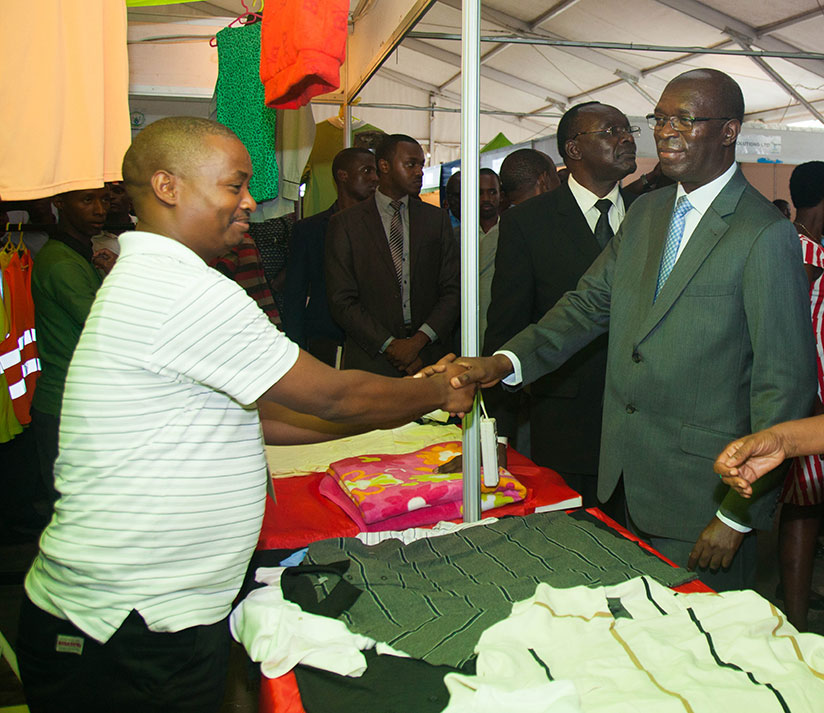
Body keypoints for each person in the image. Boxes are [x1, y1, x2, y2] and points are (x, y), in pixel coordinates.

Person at [16, 117, 475, 713]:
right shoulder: (181, 289)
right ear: (168, 186)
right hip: (127, 625)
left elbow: (264, 420)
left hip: (146, 616)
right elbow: (330, 396)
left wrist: (395, 416)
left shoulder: (156, 277)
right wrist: (435, 391)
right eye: (235, 186)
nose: (251, 202)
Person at [445, 69, 817, 591]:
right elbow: (586, 306)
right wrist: (503, 362)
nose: (666, 132)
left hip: (701, 498)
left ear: (729, 131)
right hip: (621, 479)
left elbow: (785, 389)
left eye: (685, 119)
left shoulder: (764, 234)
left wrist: (736, 516)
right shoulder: (645, 213)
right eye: (660, 118)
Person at [457, 105, 639, 508]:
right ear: (573, 148)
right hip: (566, 423)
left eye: (629, 129)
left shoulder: (650, 214)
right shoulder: (528, 223)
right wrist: (497, 434)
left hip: (643, 427)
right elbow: (506, 325)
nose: (627, 138)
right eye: (611, 130)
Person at [325, 134, 460, 377]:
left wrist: (417, 342)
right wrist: (391, 345)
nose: (419, 172)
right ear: (384, 166)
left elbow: (453, 290)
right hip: (371, 359)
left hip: (429, 357)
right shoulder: (346, 224)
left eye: (421, 165)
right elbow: (341, 300)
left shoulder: (435, 220)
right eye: (411, 164)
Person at [30, 187, 115, 505]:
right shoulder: (62, 263)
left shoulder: (80, 255)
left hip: (82, 404)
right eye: (87, 200)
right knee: (79, 511)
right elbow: (109, 328)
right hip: (68, 408)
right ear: (60, 203)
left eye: (104, 200)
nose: (99, 210)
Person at [770, 161, 824, 630]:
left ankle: (795, 606)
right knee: (799, 506)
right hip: (808, 395)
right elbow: (794, 332)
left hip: (811, 394)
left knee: (801, 505)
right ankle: (793, 615)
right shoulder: (802, 251)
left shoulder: (805, 243)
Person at [282, 147, 378, 365]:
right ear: (342, 176)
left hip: (374, 342)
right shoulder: (310, 230)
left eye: (376, 172)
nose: (374, 179)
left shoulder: (382, 228)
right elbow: (294, 294)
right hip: (324, 339)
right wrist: (295, 350)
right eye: (367, 171)